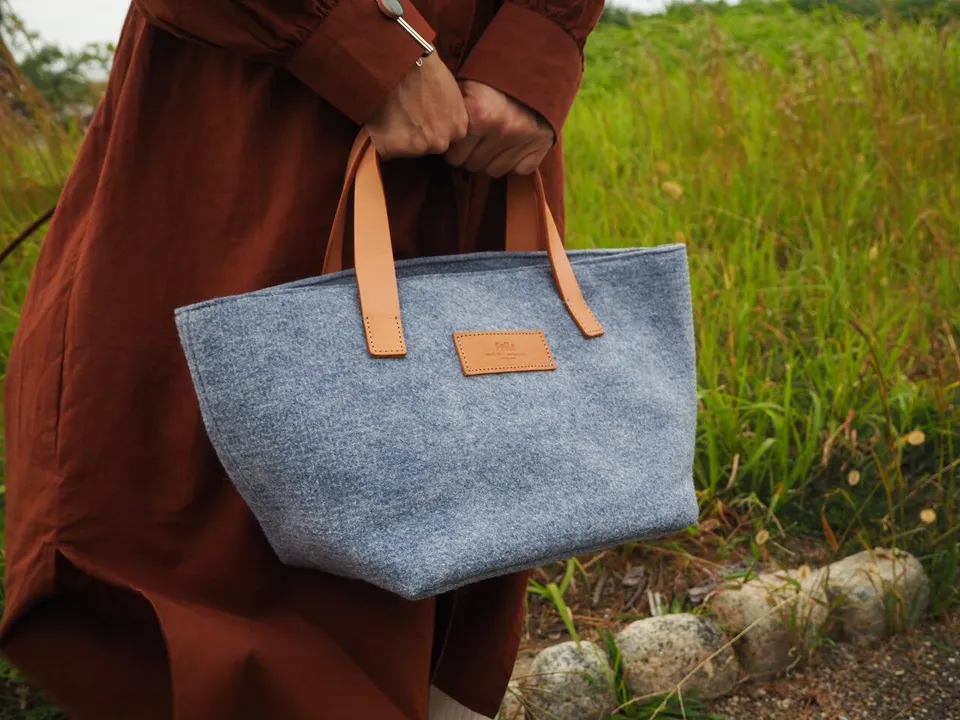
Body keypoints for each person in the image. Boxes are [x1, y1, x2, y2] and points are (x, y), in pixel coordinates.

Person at [1, 0, 605, 717]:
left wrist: (535, 46)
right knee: (210, 544)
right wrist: (364, 42)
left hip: (485, 122)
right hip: (256, 114)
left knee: (472, 512)